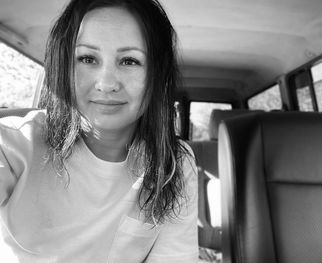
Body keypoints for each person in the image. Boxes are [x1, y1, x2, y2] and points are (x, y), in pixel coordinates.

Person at [0, 0, 198, 262]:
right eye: (87, 58)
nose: (106, 83)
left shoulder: (175, 164)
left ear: (157, 75)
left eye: (129, 60)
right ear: (63, 68)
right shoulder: (15, 144)